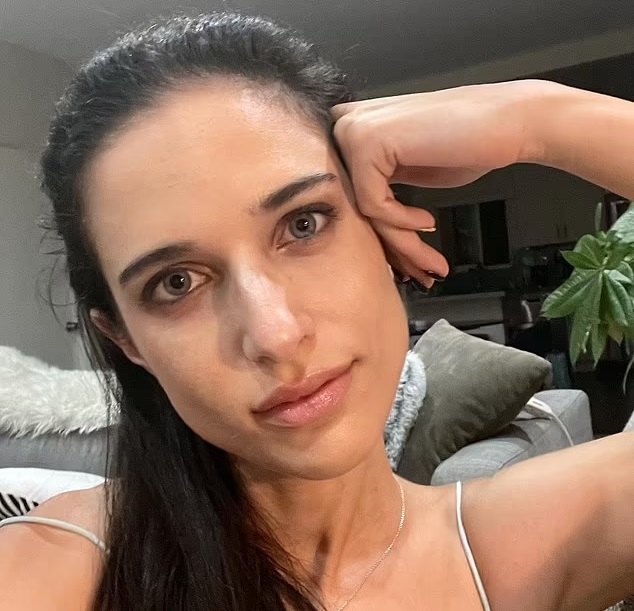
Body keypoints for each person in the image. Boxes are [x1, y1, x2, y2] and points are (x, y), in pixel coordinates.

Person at [0, 12, 632, 611]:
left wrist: (539, 117)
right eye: (177, 282)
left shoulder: (515, 545)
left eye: (303, 223)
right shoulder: (64, 567)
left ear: (382, 227)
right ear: (126, 340)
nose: (275, 334)